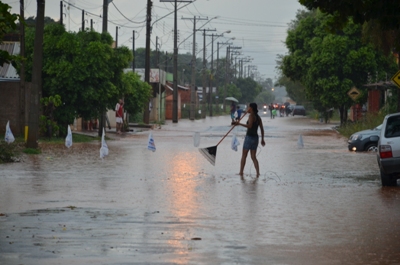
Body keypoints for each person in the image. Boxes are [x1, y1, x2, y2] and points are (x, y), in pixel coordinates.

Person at [235, 103, 265, 177]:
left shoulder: (251, 116)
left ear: (251, 108)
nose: (247, 109)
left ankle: (241, 172)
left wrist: (239, 124)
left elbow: (249, 126)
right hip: (256, 138)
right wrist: (262, 139)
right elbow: (262, 129)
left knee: (244, 155)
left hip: (249, 138)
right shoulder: (258, 117)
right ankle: (258, 173)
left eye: (249, 107)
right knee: (253, 157)